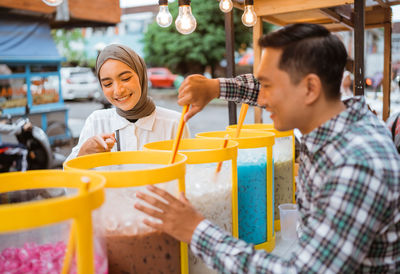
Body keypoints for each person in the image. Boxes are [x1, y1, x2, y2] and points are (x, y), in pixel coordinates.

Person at [134, 23, 400, 273]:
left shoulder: (357, 164)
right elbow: (262, 88)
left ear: (310, 88)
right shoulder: (335, 121)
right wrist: (215, 87)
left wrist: (195, 230)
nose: (260, 98)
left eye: (269, 86)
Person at [66, 44, 190, 161]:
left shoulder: (174, 123)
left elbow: (189, 174)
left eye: (125, 78)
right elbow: (70, 179)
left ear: (141, 74)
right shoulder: (96, 122)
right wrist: (84, 153)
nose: (118, 91)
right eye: (107, 84)